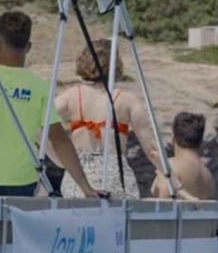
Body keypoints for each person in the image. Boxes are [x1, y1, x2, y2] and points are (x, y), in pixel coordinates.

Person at [0, 10, 97, 197]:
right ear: (28, 47)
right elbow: (59, 140)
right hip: (21, 180)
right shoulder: (39, 86)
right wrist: (86, 187)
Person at [54, 39, 163, 199]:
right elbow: (152, 150)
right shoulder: (128, 100)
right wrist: (172, 179)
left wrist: (57, 158)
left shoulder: (71, 96)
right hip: (116, 174)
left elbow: (39, 122)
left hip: (79, 175)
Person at [153, 112, 215, 201]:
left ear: (173, 138)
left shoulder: (170, 167)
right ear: (201, 141)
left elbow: (162, 203)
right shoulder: (208, 175)